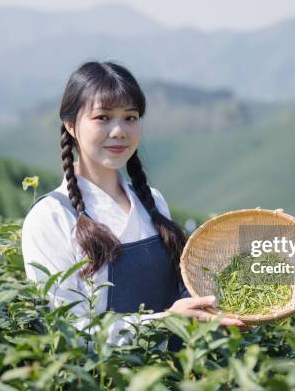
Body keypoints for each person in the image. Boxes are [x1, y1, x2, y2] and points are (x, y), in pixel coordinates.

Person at [21, 61, 247, 350]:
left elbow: (183, 292)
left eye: (130, 117)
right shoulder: (51, 218)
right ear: (70, 125)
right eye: (102, 118)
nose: (119, 131)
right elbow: (65, 331)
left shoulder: (151, 201)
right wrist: (164, 322)